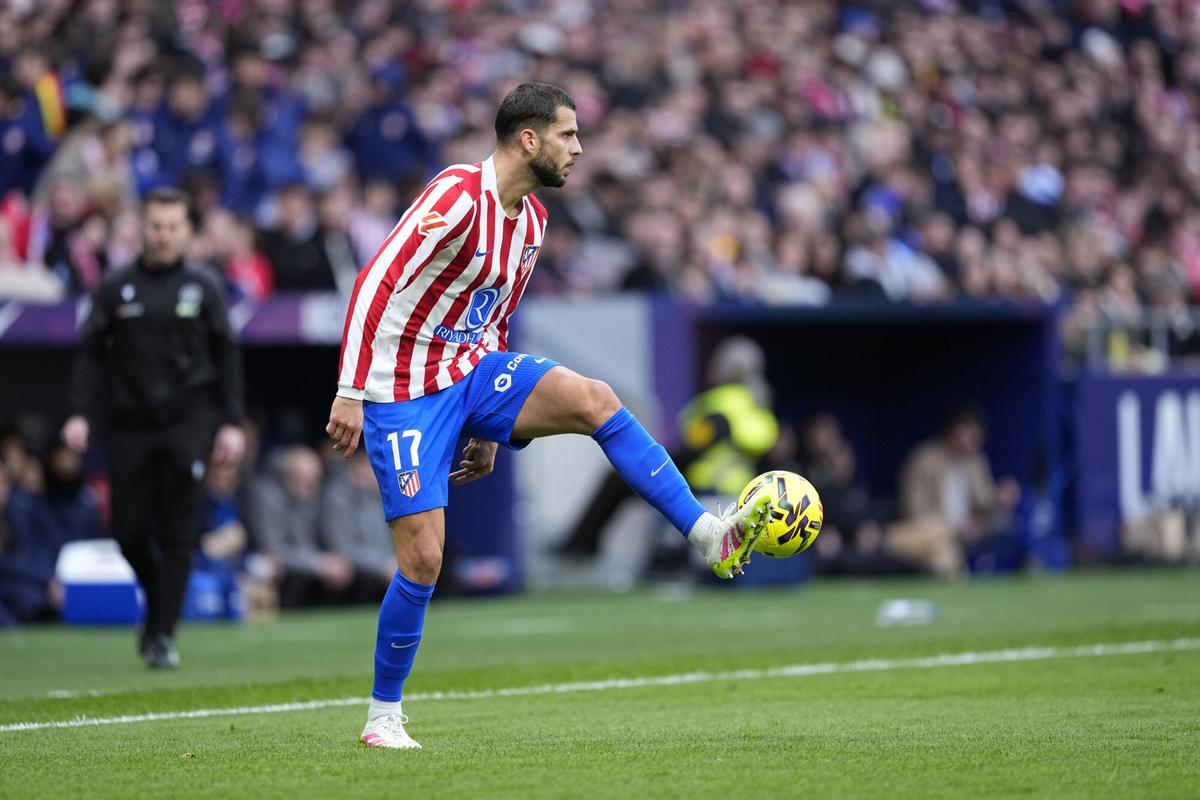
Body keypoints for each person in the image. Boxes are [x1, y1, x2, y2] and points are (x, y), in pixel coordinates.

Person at [325, 83, 773, 750]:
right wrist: (350, 389)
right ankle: (382, 716)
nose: (579, 149)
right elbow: (374, 283)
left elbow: (494, 318)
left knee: (596, 399)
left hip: (471, 370)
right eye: (568, 135)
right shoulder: (456, 197)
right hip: (403, 388)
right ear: (528, 139)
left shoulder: (532, 221)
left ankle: (706, 532)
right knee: (423, 560)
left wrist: (490, 425)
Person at [61, 187, 246, 668]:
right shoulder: (116, 286)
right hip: (130, 422)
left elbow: (226, 355)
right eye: (155, 226)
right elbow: (90, 356)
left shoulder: (204, 285)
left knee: (180, 528)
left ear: (186, 232)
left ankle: (161, 634)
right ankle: (160, 601)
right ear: (143, 229)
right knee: (127, 532)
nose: (163, 235)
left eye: (172, 227)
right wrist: (80, 412)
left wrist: (231, 422)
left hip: (190, 418)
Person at [895, 407, 1022, 576]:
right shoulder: (924, 460)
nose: (972, 439)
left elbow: (984, 502)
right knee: (942, 552)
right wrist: (955, 529)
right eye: (966, 433)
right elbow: (915, 511)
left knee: (1009, 523)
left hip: (968, 532)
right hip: (930, 532)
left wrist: (999, 498)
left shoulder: (975, 462)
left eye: (975, 434)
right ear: (952, 431)